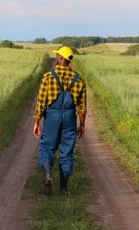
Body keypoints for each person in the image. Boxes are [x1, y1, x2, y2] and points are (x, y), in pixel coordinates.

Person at [32, 46, 87, 195]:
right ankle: (63, 189)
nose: (56, 58)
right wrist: (82, 124)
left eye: (58, 56)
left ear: (61, 58)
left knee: (47, 148)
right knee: (67, 152)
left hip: (52, 116)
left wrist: (37, 121)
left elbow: (41, 101)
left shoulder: (48, 77)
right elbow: (82, 106)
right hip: (69, 116)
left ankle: (48, 175)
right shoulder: (79, 79)